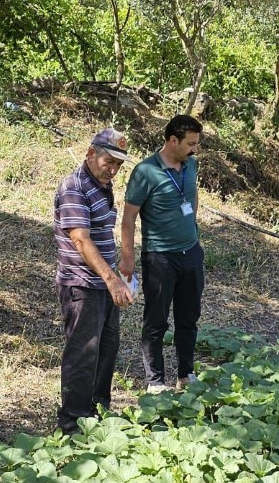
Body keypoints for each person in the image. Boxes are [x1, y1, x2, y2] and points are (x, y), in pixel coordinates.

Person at [54, 128, 135, 434]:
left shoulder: (102, 186)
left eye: (118, 164)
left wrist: (118, 274)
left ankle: (97, 411)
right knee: (83, 353)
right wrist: (111, 279)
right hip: (82, 284)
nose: (112, 169)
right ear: (90, 154)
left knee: (106, 348)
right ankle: (72, 422)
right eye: (108, 161)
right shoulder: (74, 187)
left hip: (104, 283)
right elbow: (80, 240)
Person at [119, 115, 204, 393]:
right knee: (156, 320)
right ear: (172, 140)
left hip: (190, 253)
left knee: (188, 318)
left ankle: (186, 375)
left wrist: (192, 229)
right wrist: (128, 257)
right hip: (160, 257)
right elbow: (129, 219)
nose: (195, 149)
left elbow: (192, 197)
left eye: (197, 144)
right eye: (190, 144)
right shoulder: (146, 172)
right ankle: (155, 382)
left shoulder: (190, 164)